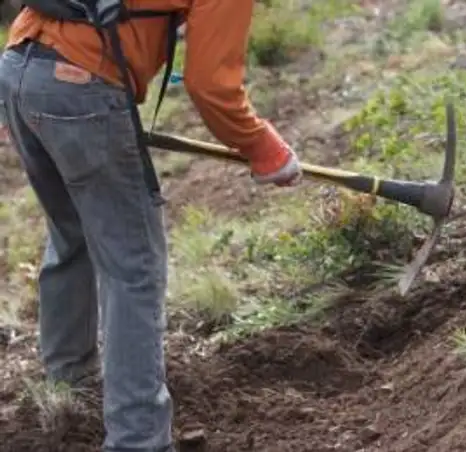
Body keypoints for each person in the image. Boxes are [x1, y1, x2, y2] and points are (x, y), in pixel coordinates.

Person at [0, 1, 303, 450]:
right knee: (134, 267)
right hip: (81, 85)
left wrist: (28, 93)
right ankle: (138, 439)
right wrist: (262, 147)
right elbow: (211, 85)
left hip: (18, 67)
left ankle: (70, 388)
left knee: (72, 235)